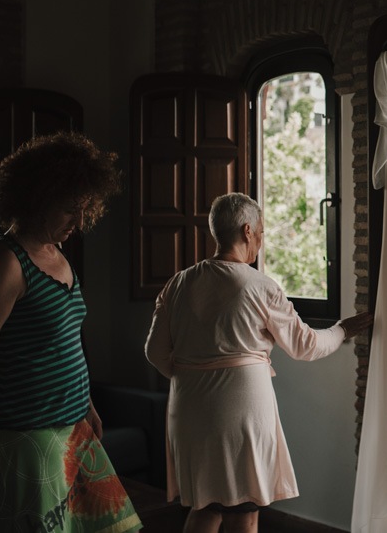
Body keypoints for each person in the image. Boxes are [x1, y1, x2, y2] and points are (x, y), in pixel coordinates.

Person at [144, 192, 372, 533]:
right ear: (247, 230)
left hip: (188, 407)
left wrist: (194, 374)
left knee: (204, 506)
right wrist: (341, 330)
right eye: (262, 232)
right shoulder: (259, 285)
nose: (261, 241)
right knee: (242, 512)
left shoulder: (178, 283)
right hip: (239, 410)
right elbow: (304, 345)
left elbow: (154, 352)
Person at [0, 132, 141, 532]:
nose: (81, 222)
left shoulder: (58, 255)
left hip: (74, 431)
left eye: (86, 209)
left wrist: (86, 405)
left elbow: (64, 341)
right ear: (37, 198)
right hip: (27, 441)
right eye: (71, 210)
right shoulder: (3, 265)